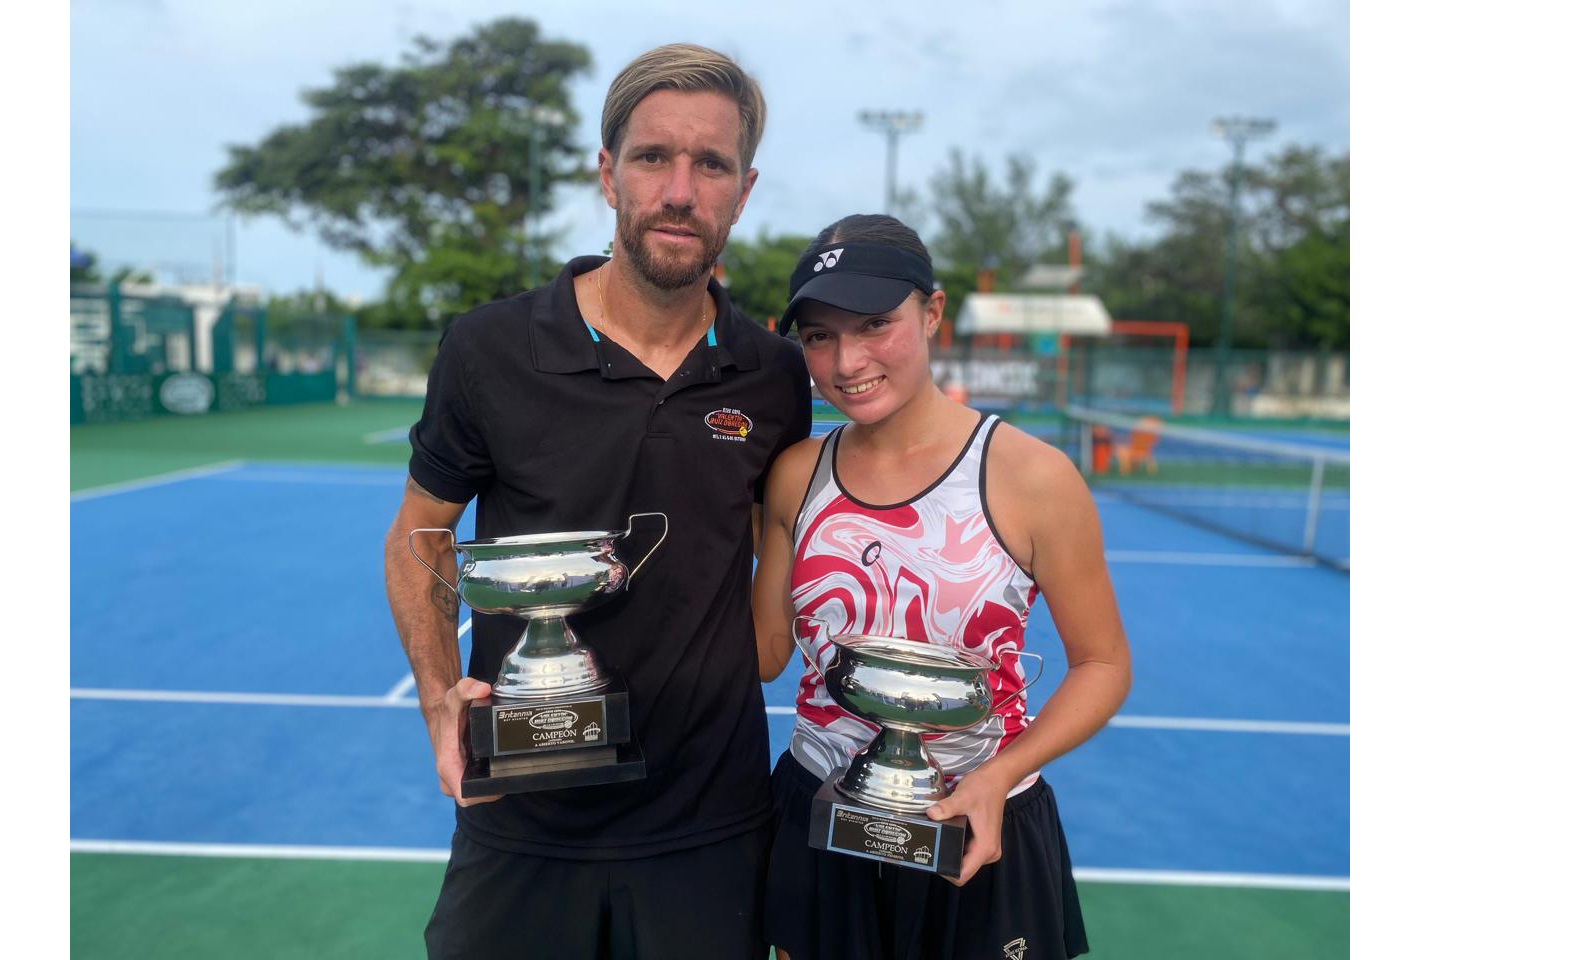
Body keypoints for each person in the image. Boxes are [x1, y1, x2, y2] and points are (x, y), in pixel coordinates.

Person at [382, 43, 812, 960]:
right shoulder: (488, 349)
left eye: (713, 164)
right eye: (654, 157)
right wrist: (435, 699)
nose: (681, 190)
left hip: (711, 828)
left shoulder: (774, 375)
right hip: (523, 817)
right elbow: (418, 534)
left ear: (745, 188)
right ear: (607, 172)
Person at [752, 214, 1132, 960]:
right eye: (819, 336)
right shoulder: (798, 473)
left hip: (978, 827)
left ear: (931, 313)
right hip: (821, 812)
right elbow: (763, 652)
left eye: (873, 325)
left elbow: (1104, 665)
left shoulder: (1032, 476)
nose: (845, 359)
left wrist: (999, 777)